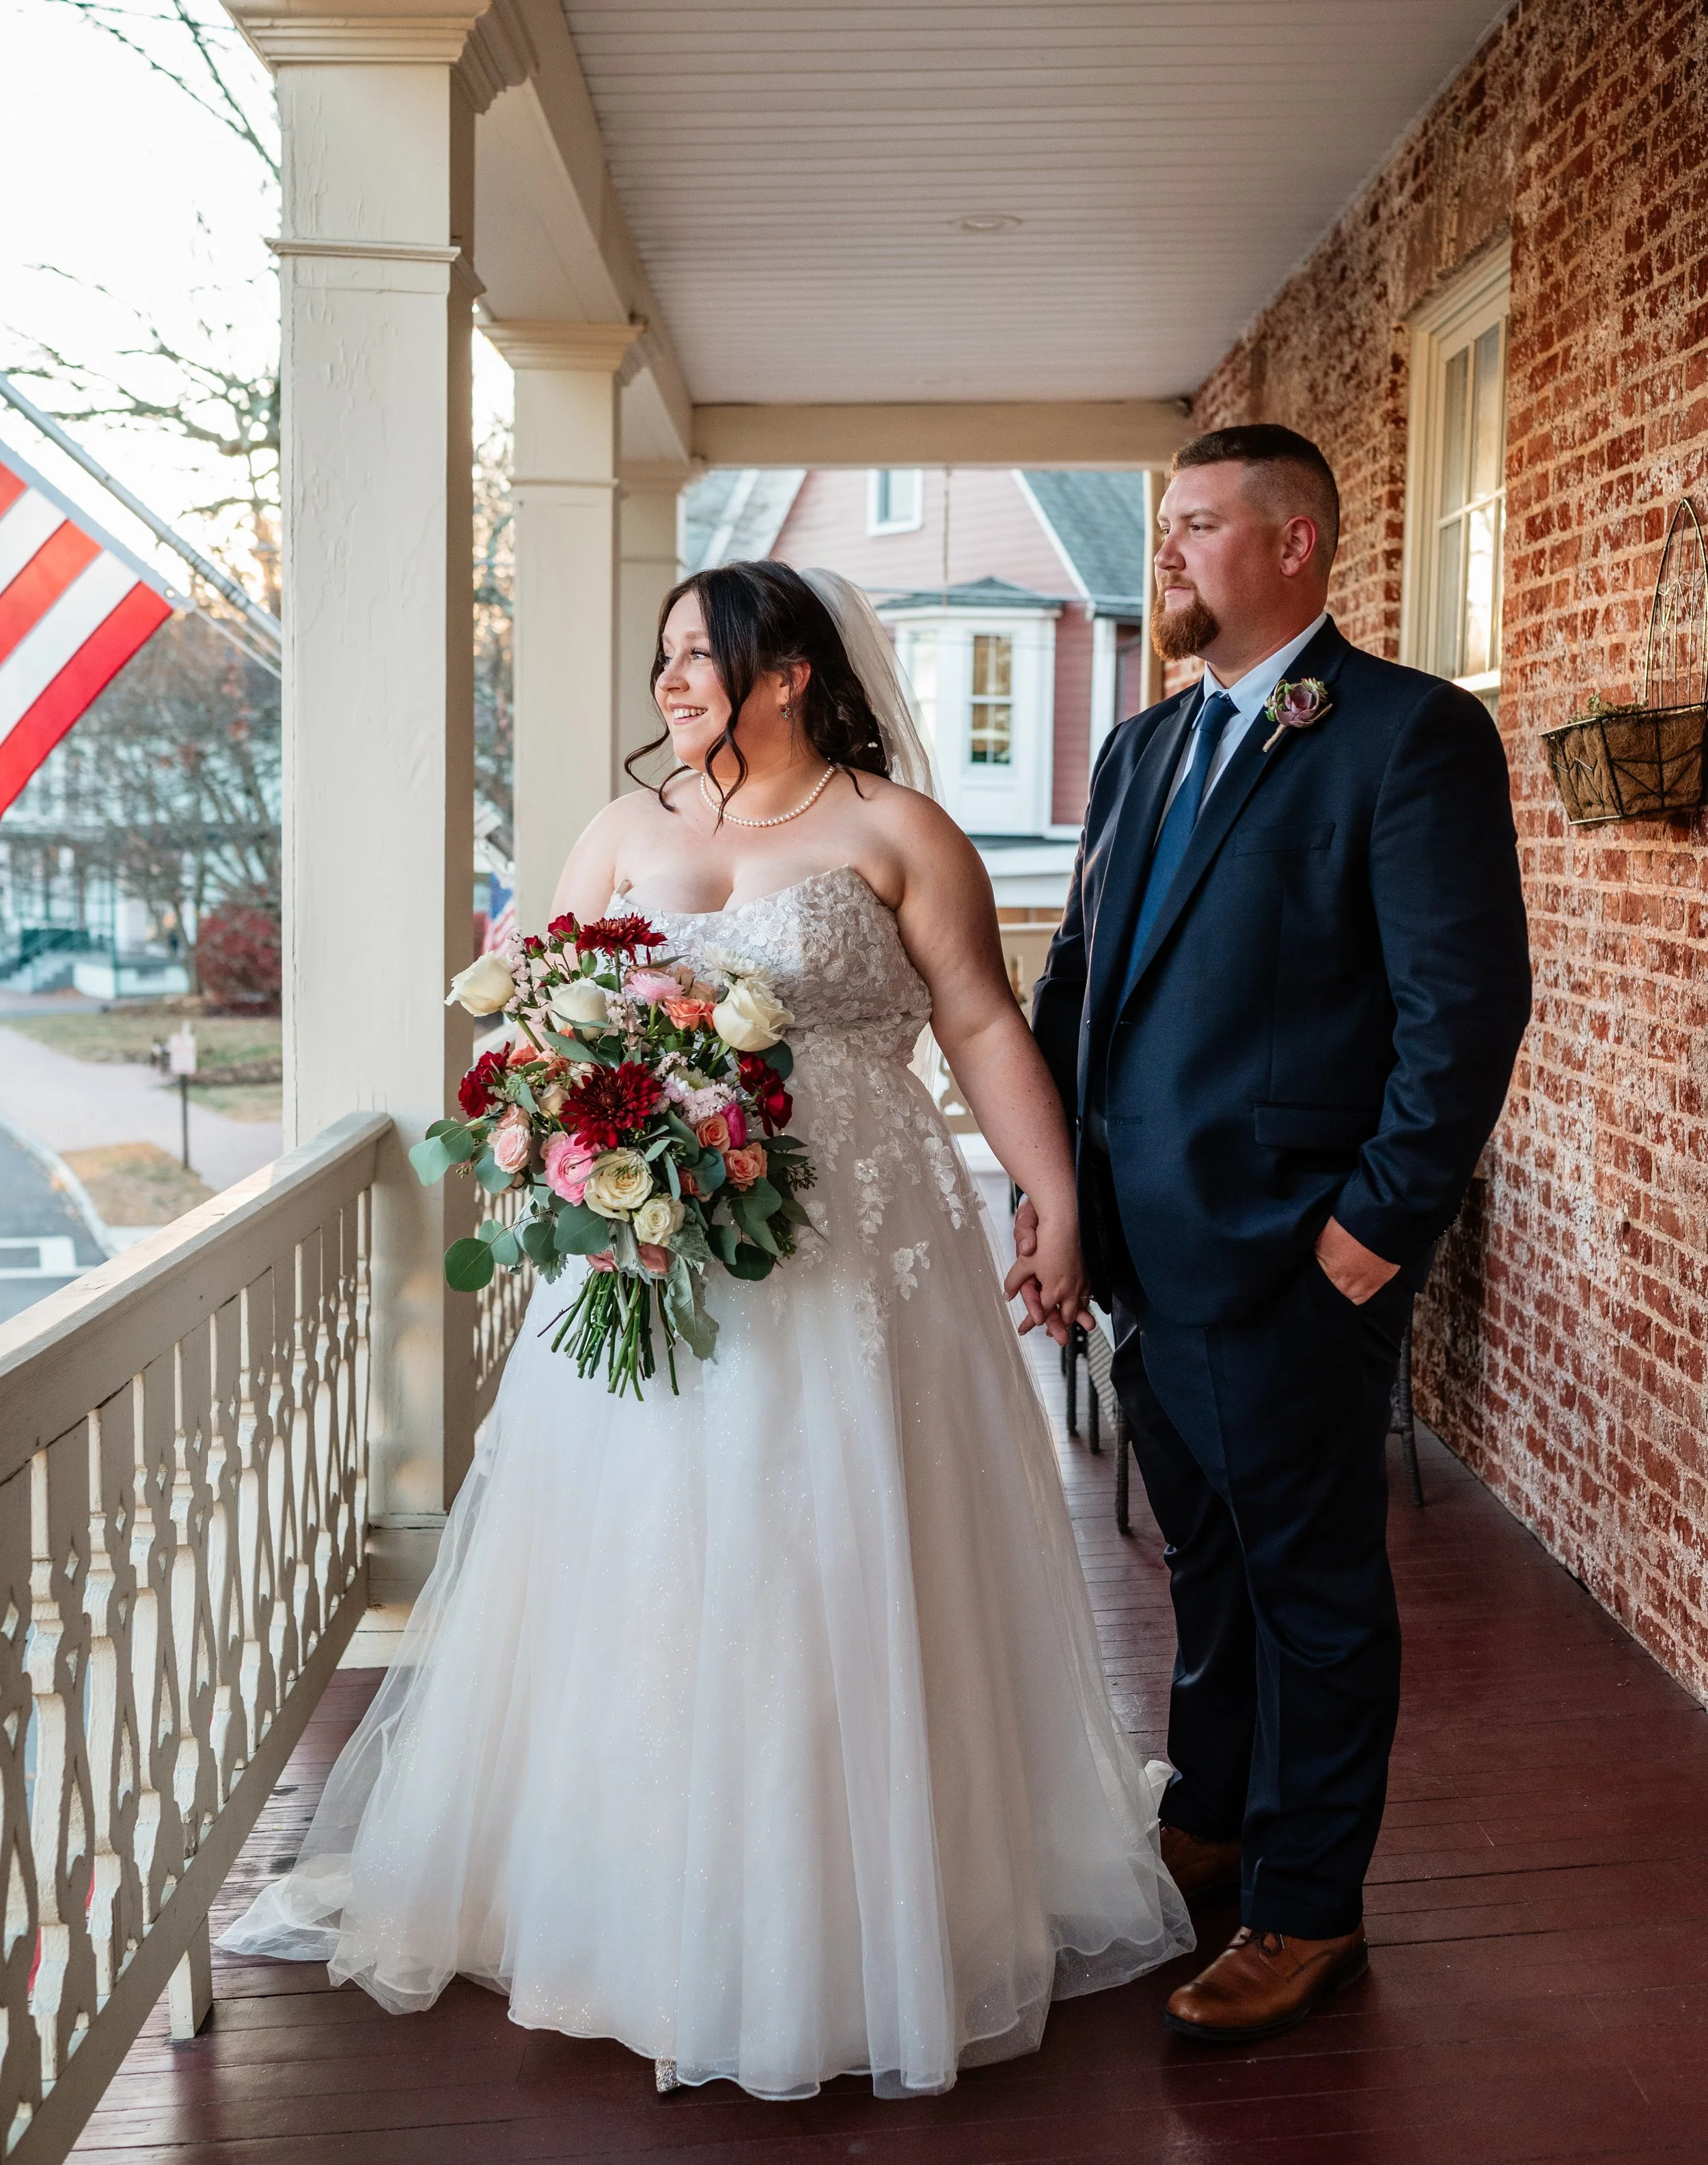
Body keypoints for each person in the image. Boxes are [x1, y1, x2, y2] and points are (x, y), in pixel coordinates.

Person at [222, 558, 1191, 2099]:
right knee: (652, 1560)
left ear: (788, 671)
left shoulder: (893, 831)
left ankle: (860, 1913)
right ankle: (634, 1907)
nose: (670, 682)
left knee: (835, 1554)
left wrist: (1052, 1202)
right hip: (647, 1261)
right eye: (664, 655)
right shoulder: (622, 833)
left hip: (854, 1262)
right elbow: (533, 1021)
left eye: (698, 655)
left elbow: (982, 1024)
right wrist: (562, 1126)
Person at [1024, 424, 1531, 2045]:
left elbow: (1460, 1014)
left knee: (1312, 1593)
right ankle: (1212, 1822)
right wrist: (1054, 1208)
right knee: (1212, 1574)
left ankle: (1308, 1909)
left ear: (1296, 543)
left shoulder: (1406, 735)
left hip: (1292, 1260)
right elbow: (1076, 994)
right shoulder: (1139, 752)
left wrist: (1363, 1241)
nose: (1161, 556)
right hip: (1139, 1262)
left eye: (1192, 527)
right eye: (1160, 529)